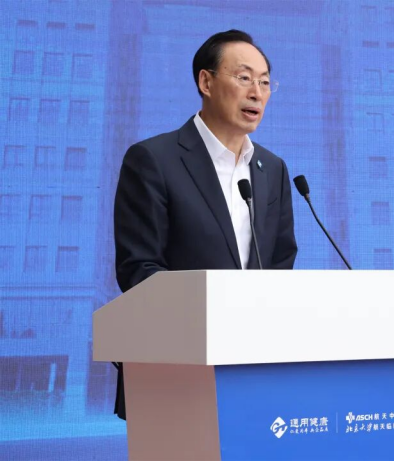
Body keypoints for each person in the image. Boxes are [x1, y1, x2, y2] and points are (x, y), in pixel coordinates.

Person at [112, 30, 298, 420]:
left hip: (253, 371)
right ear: (206, 82)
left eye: (265, 82)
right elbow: (139, 269)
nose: (257, 92)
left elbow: (280, 261)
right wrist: (216, 320)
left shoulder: (272, 169)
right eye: (244, 78)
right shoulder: (153, 159)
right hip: (175, 372)